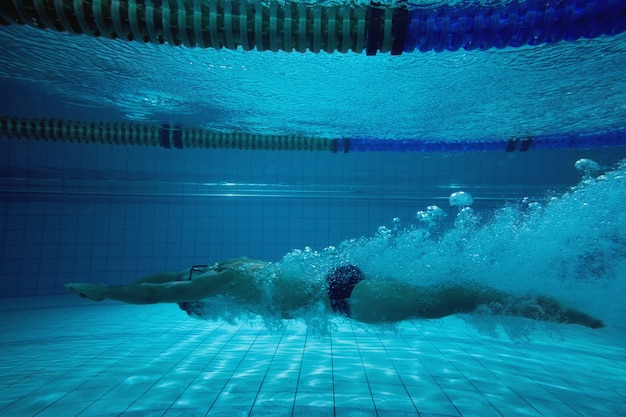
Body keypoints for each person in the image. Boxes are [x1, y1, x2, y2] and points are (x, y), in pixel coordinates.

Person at [65, 257, 604, 329]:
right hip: (348, 292)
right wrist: (117, 289)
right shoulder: (225, 274)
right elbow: (164, 288)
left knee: (454, 297)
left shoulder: (218, 281)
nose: (195, 305)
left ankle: (547, 307)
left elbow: (163, 289)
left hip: (347, 293)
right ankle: (547, 307)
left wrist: (108, 289)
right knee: (452, 297)